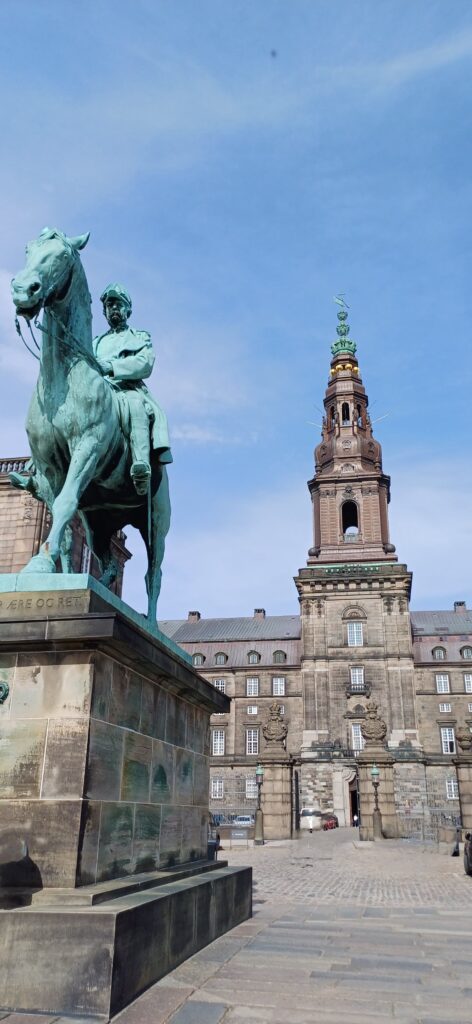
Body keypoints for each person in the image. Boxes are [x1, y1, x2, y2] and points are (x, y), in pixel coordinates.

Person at [94, 284, 172, 495]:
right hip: (99, 390)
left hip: (126, 390)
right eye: (109, 305)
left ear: (128, 310)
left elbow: (144, 364)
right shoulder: (96, 341)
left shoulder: (139, 336)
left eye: (118, 304)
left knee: (136, 407)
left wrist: (111, 367)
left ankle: (140, 466)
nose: (113, 308)